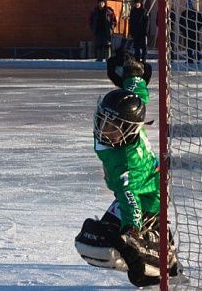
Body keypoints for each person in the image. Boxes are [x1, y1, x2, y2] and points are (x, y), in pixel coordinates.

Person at [74, 51, 179, 287]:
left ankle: (156, 255)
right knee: (93, 239)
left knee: (103, 245)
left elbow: (128, 198)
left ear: (128, 130)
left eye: (112, 127)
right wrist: (133, 74)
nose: (104, 129)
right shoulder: (131, 127)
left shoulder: (124, 163)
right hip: (148, 183)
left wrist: (131, 230)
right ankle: (159, 243)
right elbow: (136, 95)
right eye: (103, 120)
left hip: (148, 197)